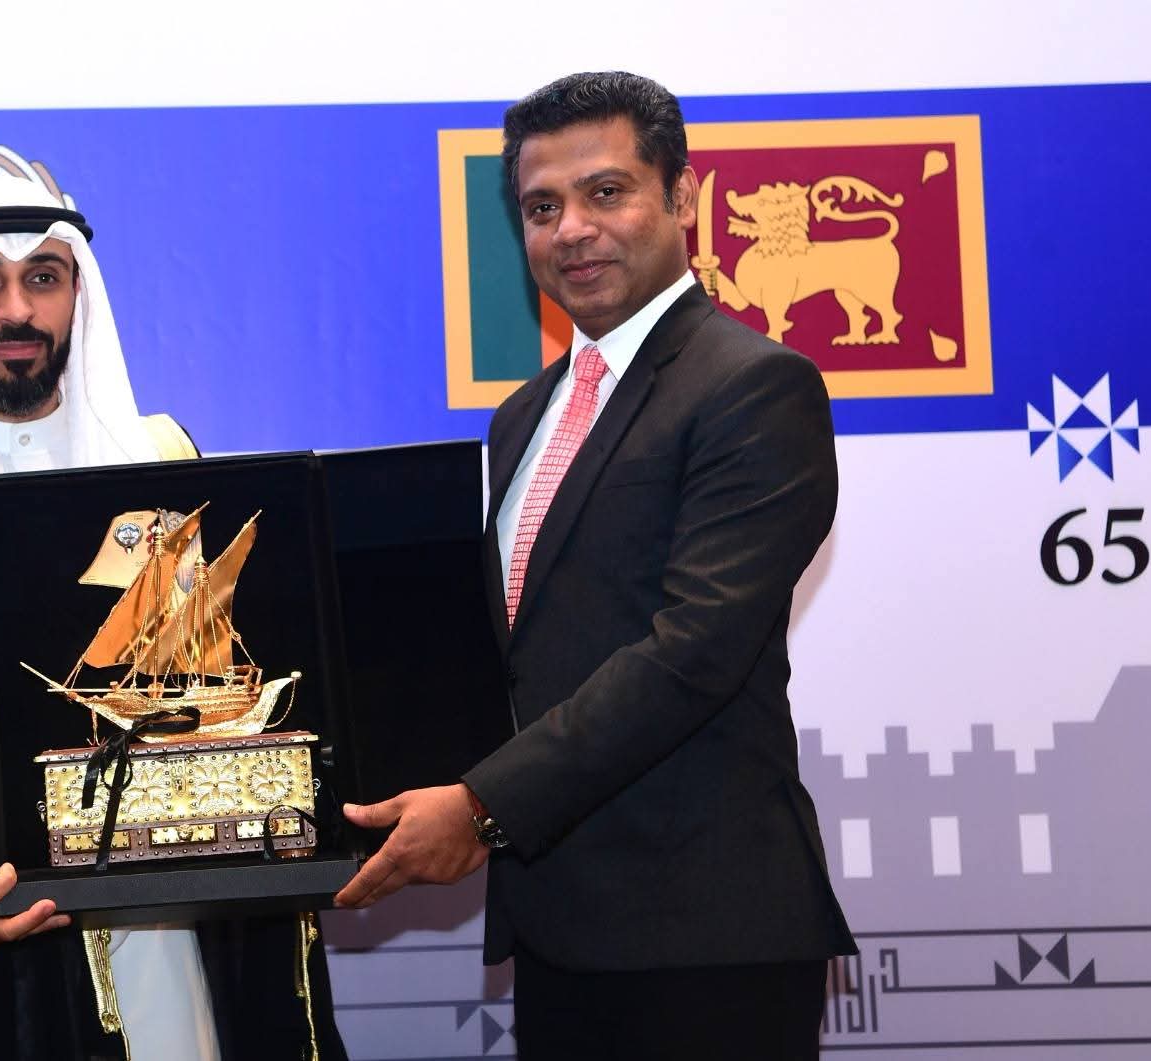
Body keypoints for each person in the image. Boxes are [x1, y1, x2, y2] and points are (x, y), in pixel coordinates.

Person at [336, 72, 855, 1059]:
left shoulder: (756, 387)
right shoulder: (522, 416)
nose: (572, 228)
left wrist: (479, 806)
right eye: (542, 208)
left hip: (705, 935)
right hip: (558, 924)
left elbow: (692, 652)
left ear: (682, 196)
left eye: (606, 192)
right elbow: (511, 655)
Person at [0, 175, 345, 1060]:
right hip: (2, 948)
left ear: (78, 292)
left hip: (179, 910)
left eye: (42, 277)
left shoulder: (161, 457)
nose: (16, 309)